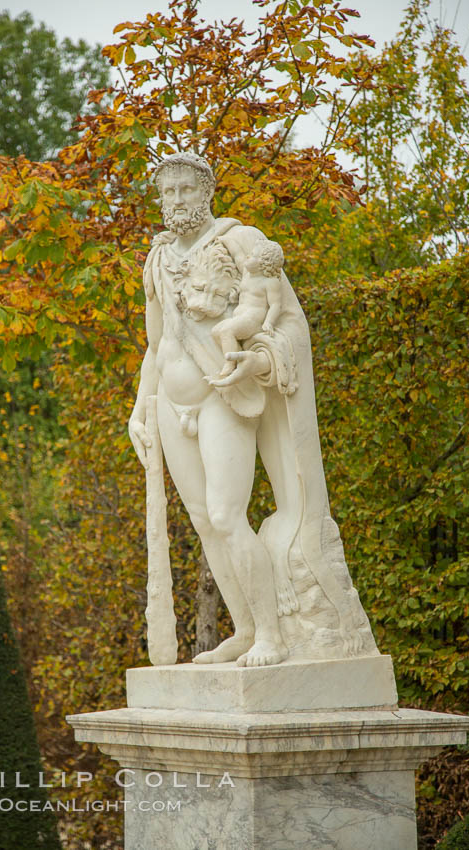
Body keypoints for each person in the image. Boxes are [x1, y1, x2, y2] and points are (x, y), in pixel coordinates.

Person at [129, 151, 378, 667]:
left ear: (207, 192)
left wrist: (257, 361)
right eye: (168, 192)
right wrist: (138, 409)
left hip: (223, 395)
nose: (176, 200)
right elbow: (154, 346)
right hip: (171, 405)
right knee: (202, 520)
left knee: (225, 515)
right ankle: (245, 629)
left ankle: (271, 635)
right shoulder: (155, 258)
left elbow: (283, 319)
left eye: (186, 190)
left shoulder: (238, 240)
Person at [209, 237, 284, 379]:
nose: (248, 256)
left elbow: (275, 305)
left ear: (264, 263)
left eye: (253, 256)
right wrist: (224, 238)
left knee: (226, 331)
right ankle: (237, 356)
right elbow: (238, 253)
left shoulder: (270, 282)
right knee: (215, 331)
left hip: (253, 320)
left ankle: (230, 364)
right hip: (240, 317)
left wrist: (269, 322)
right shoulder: (247, 274)